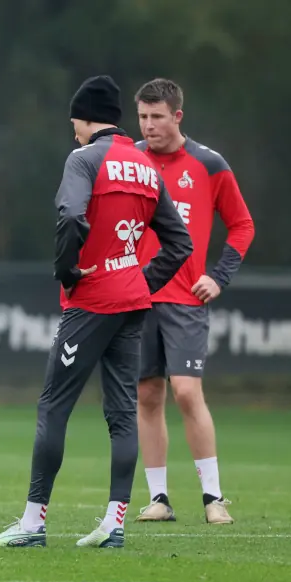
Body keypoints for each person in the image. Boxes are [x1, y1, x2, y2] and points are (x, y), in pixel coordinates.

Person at [0, 76, 192, 549]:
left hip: (92, 300)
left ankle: (33, 523)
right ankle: (114, 523)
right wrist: (141, 280)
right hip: (133, 303)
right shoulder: (144, 164)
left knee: (53, 406)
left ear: (82, 118)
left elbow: (71, 216)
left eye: (72, 120)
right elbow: (180, 242)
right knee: (122, 414)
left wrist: (67, 270)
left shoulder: (84, 157)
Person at [133, 78, 254, 525]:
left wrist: (218, 277)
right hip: (137, 297)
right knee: (147, 395)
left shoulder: (208, 164)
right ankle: (159, 499)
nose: (148, 126)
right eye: (143, 117)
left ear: (177, 116)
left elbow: (242, 225)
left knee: (186, 392)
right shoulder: (129, 161)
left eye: (157, 117)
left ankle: (212, 497)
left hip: (185, 298)